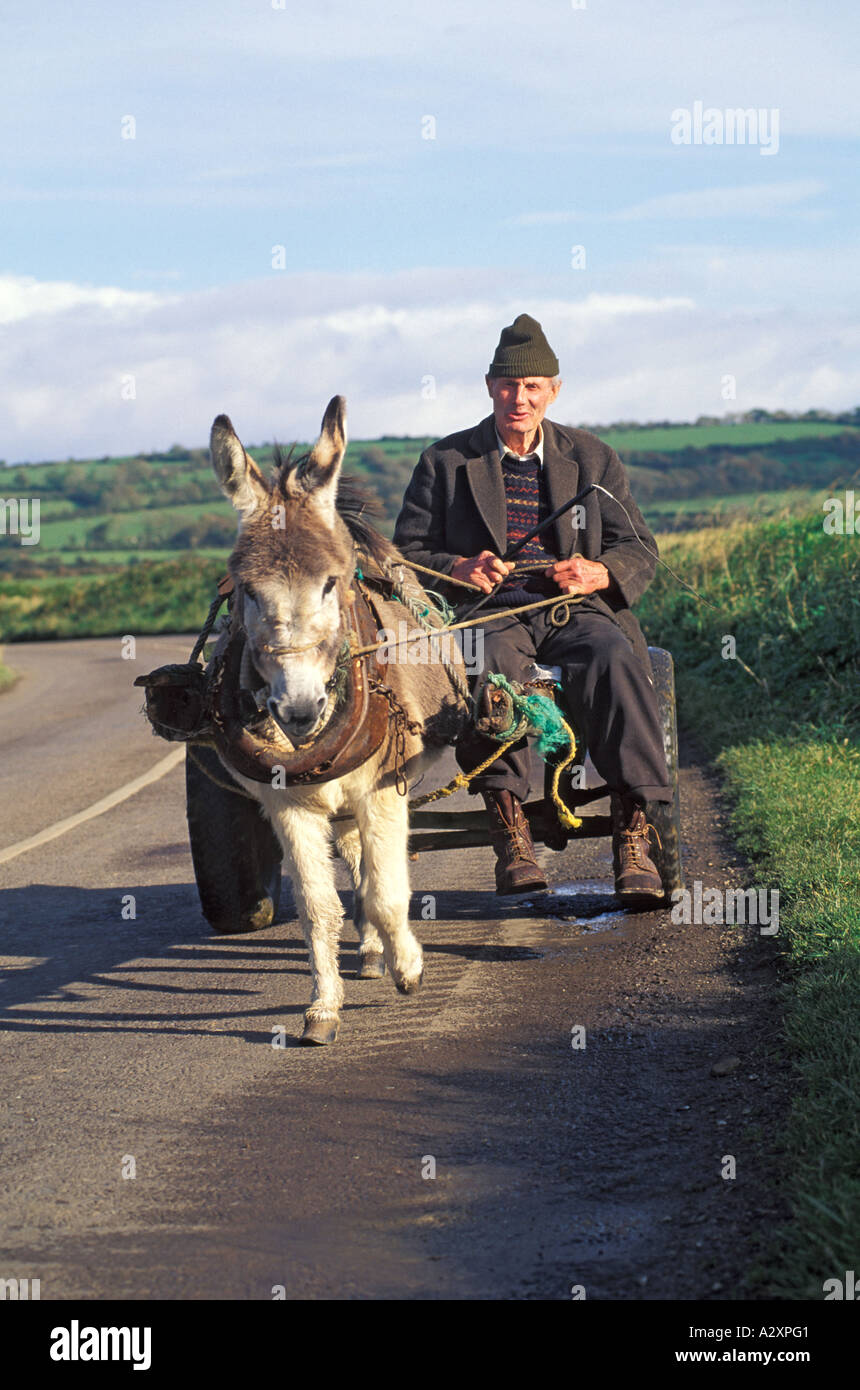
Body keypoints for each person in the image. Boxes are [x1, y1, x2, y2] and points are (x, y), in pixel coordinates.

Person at [393, 312, 672, 902]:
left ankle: (634, 838)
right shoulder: (444, 462)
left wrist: (600, 571)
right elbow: (406, 554)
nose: (519, 399)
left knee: (618, 660)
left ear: (553, 391)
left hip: (577, 612)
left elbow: (636, 545)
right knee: (490, 669)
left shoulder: (591, 458)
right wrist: (458, 569)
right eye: (508, 386)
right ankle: (512, 833)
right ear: (490, 386)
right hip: (489, 613)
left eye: (532, 388)